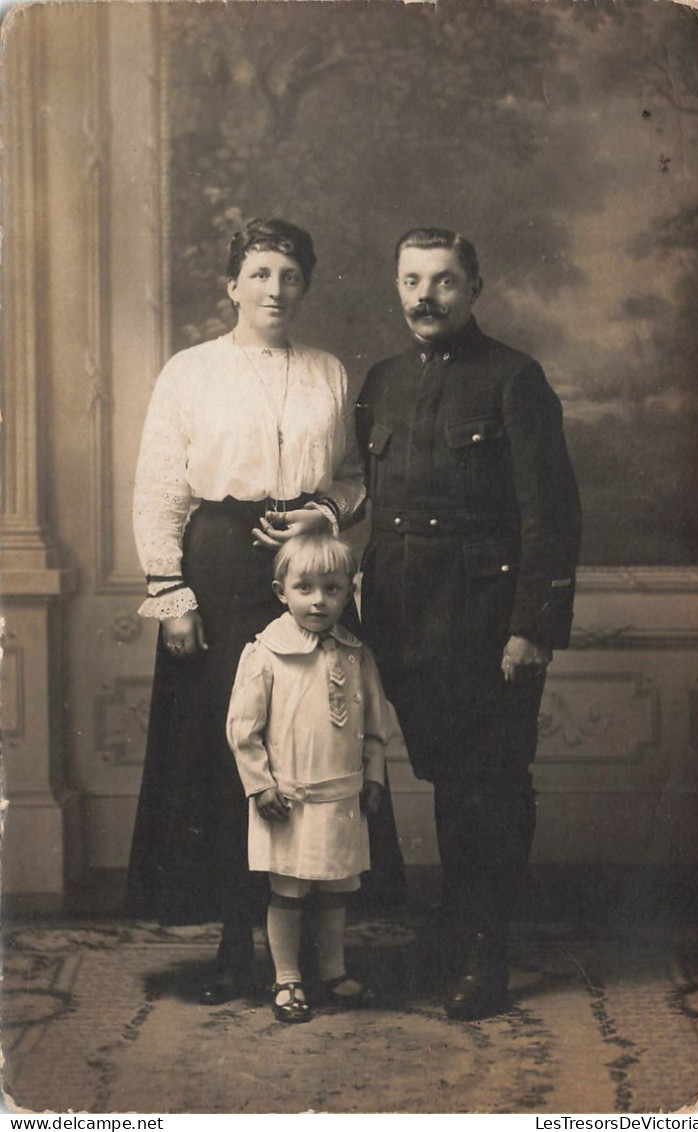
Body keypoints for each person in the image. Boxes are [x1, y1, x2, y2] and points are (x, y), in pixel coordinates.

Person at [127, 218, 395, 1005]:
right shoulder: (190, 371)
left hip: (304, 560)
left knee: (310, 734)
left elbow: (350, 478)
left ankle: (312, 939)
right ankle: (231, 941)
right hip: (216, 558)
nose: (275, 289)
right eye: (260, 273)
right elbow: (159, 485)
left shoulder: (326, 372)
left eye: (289, 275)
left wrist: (321, 511)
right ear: (232, 285)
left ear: (303, 286)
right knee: (230, 742)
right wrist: (170, 591)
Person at [357, 227, 582, 1021]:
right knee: (449, 782)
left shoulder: (515, 380)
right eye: (411, 280)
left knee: (490, 787)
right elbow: (374, 508)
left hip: (488, 626)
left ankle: (485, 952)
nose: (425, 296)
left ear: (473, 288)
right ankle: (452, 935)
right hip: (404, 624)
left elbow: (550, 517)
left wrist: (531, 626)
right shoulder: (380, 382)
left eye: (444, 281)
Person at [226, 533, 390, 1022]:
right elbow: (242, 729)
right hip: (288, 799)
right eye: (305, 588)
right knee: (289, 890)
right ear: (282, 591)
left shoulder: (357, 654)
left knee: (337, 886)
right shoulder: (265, 653)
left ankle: (333, 970)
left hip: (342, 794)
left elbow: (376, 728)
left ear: (348, 591)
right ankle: (287, 978)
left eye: (333, 588)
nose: (319, 600)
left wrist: (374, 778)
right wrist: (260, 784)